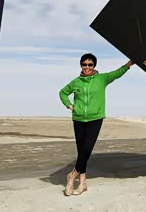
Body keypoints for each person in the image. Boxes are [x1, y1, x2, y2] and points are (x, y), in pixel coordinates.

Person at [59, 53, 134, 196]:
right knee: (82, 152)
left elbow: (117, 73)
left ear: (94, 66)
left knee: (87, 149)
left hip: (95, 119)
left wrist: (128, 65)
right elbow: (62, 93)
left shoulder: (102, 79)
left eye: (90, 64)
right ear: (81, 65)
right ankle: (82, 183)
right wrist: (69, 105)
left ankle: (72, 175)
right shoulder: (76, 82)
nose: (87, 67)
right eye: (84, 64)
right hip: (78, 119)